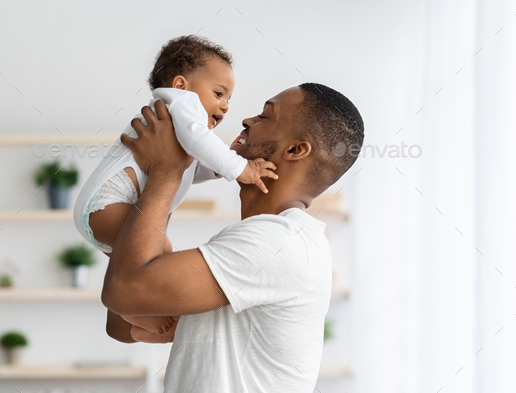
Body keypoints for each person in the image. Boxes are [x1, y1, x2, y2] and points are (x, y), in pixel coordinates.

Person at [101, 82, 364, 392]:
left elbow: (125, 291)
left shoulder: (277, 243)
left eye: (265, 116)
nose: (247, 121)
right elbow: (124, 321)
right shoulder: (256, 241)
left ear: (294, 150)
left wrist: (167, 171)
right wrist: (171, 174)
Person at [73, 36, 277, 341]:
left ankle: (137, 322)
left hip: (103, 212)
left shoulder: (180, 123)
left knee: (135, 269)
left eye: (228, 99)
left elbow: (191, 167)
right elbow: (198, 143)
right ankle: (152, 316)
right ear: (181, 85)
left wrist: (228, 167)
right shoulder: (181, 104)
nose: (225, 105)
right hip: (109, 204)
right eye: (219, 93)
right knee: (159, 256)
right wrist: (241, 169)